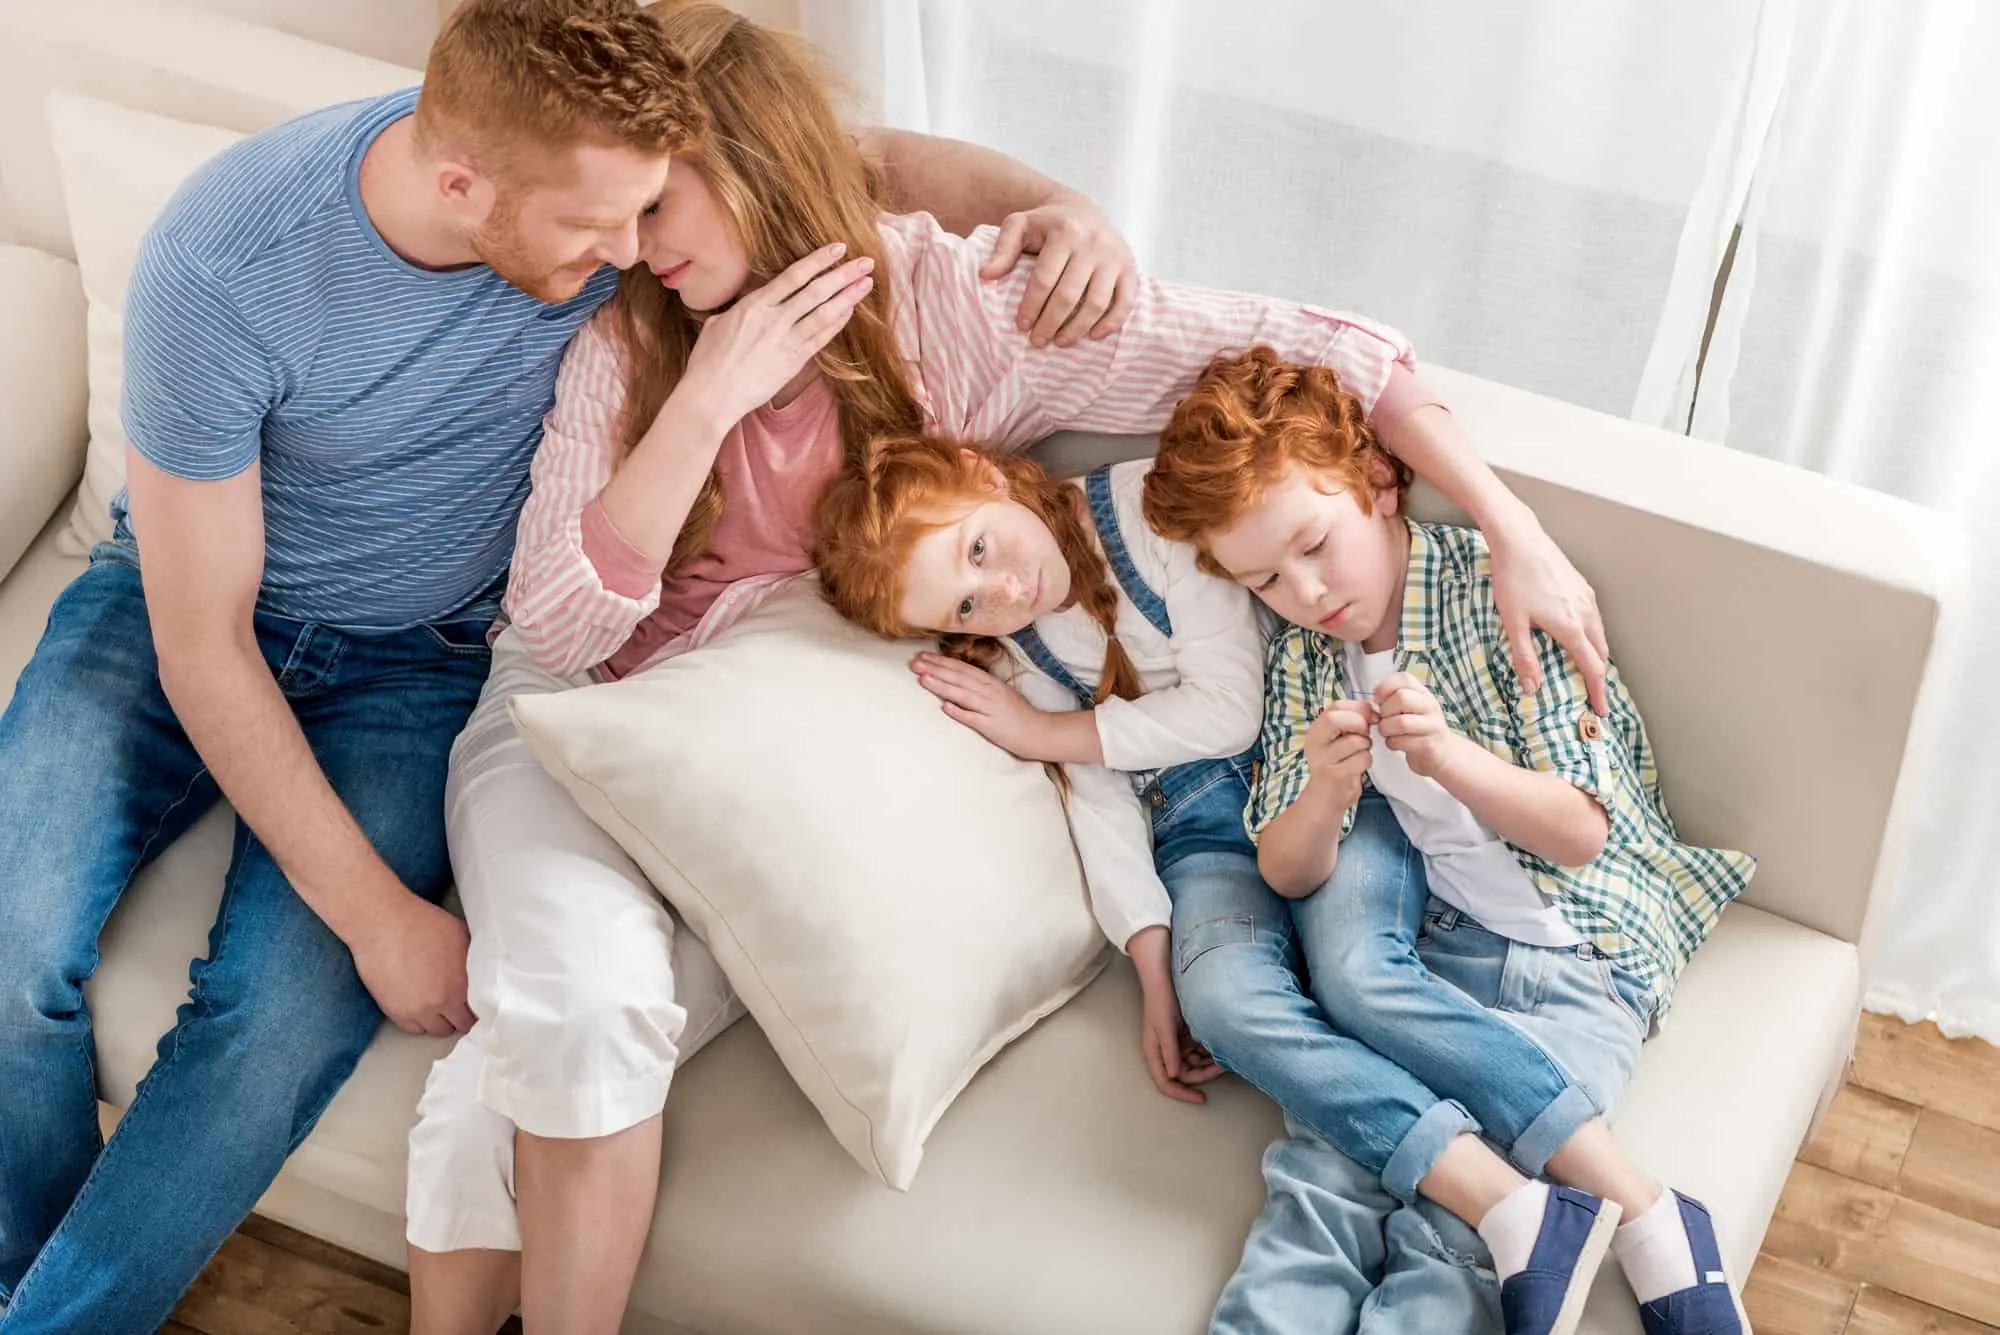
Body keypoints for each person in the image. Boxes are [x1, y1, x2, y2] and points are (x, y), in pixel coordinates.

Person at [402, 6, 1618, 1332]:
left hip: (745, 747)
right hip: (567, 724)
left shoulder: (944, 310)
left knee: (562, 1035)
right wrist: (706, 395)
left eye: (658, 202)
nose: (633, 243)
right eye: (621, 211)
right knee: (574, 1014)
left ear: (752, 160)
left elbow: (1332, 346)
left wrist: (1513, 526)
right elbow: (562, 626)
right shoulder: (625, 345)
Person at [0, 0, 1140, 1328]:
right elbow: (204, 643)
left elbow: (851, 163)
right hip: (176, 613)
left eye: (648, 213)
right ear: (462, 182)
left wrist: (1066, 205)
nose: (633, 254)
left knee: (273, 1022)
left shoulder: (619, 200)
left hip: (418, 662)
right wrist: (378, 912)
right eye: (600, 229)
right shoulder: (227, 262)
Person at [1141, 347, 1757, 1335]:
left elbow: (1579, 836)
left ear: (1378, 484)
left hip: (1572, 958)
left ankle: (1639, 1216)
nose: (1302, 591)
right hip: (1417, 960)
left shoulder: (1493, 592)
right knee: (1315, 1195)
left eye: (1313, 544)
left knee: (1448, 1245)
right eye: (1264, 578)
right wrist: (1324, 793)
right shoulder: (1304, 657)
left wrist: (1447, 759)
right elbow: (1288, 871)